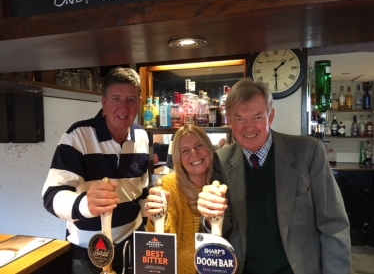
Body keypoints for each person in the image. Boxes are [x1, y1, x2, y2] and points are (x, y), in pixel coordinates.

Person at [197, 78, 351, 274]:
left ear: (271, 116)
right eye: (240, 119)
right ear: (229, 120)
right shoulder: (222, 159)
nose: (249, 127)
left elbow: (334, 225)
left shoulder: (308, 152)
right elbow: (223, 225)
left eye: (258, 117)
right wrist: (210, 217)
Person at [42, 67, 149, 274]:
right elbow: (51, 196)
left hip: (132, 246)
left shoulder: (142, 136)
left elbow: (142, 190)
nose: (124, 108)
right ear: (104, 102)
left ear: (140, 102)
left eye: (131, 100)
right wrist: (85, 204)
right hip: (89, 252)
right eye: (116, 98)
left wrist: (151, 211)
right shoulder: (78, 135)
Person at [145, 124, 215, 274]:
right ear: (179, 158)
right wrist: (156, 219)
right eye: (185, 151)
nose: (194, 153)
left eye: (199, 145)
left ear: (210, 148)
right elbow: (162, 240)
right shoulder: (169, 185)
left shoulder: (224, 182)